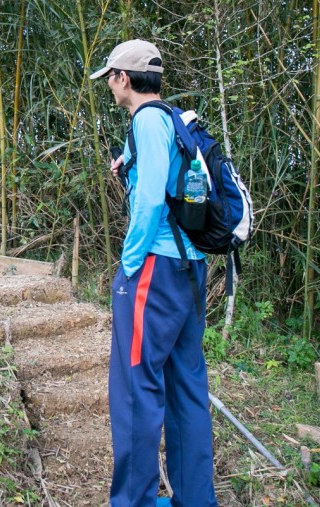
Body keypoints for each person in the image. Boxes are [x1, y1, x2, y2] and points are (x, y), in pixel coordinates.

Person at [90, 39, 219, 507]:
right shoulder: (171, 118)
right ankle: (196, 499)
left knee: (135, 389)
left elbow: (147, 205)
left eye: (109, 76)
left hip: (154, 271)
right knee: (186, 386)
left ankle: (134, 502)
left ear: (124, 78)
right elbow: (161, 182)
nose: (108, 84)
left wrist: (127, 265)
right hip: (190, 267)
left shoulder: (145, 120)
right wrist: (129, 165)